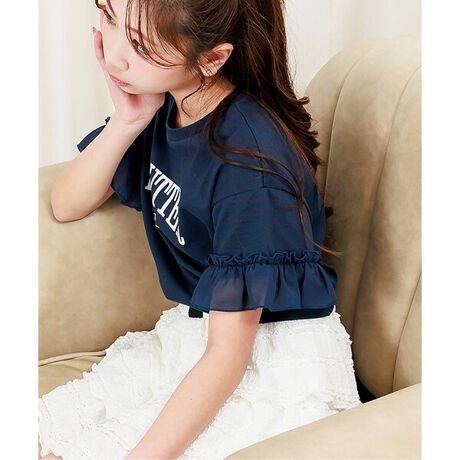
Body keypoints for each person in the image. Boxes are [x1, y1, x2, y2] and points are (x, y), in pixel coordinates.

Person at [38, 0, 363, 458]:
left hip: (270, 362)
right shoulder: (169, 105)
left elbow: (229, 356)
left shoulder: (249, 169)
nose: (115, 57)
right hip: (201, 334)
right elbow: (66, 203)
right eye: (110, 18)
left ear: (211, 59)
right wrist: (129, 120)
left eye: (141, 45)